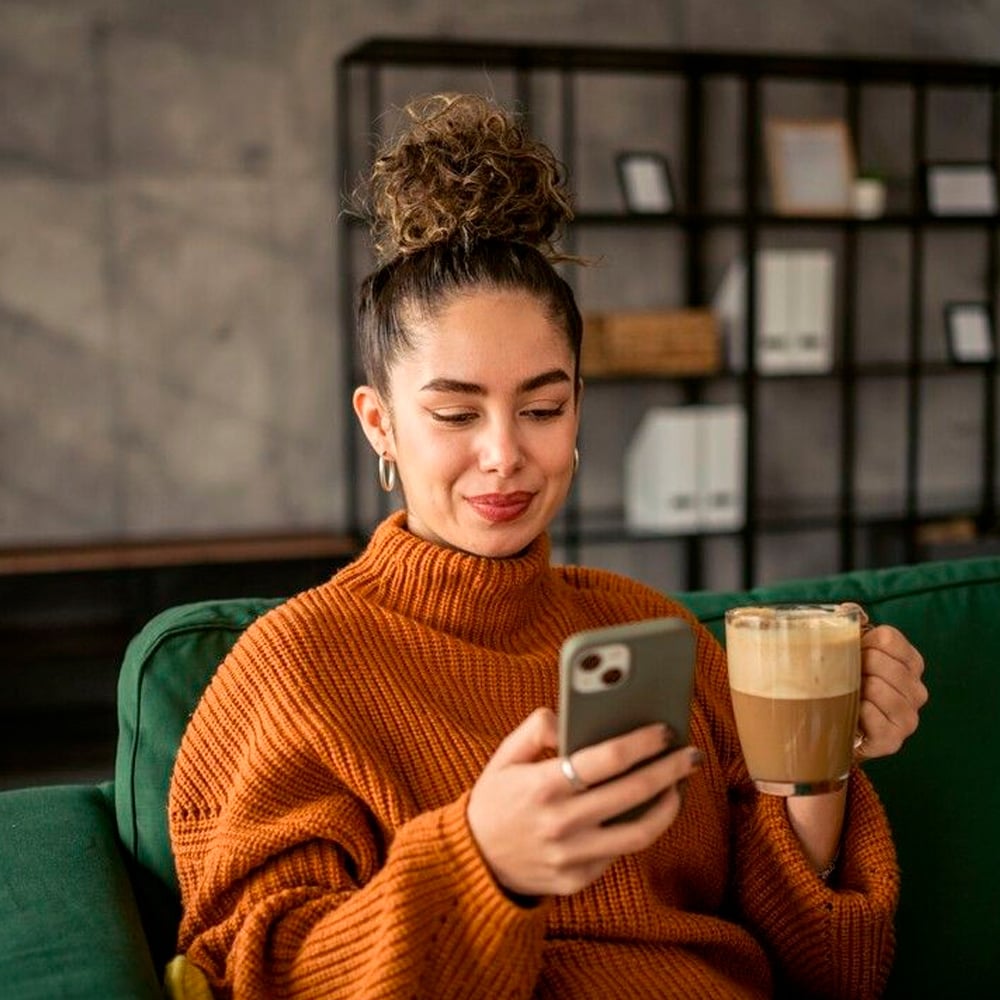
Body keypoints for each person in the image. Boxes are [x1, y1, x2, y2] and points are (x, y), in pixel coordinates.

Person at [168, 93, 928, 1000]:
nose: (506, 455)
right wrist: (485, 864)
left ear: (578, 413)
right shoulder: (293, 671)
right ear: (379, 424)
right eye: (455, 413)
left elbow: (828, 972)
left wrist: (820, 760)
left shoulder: (655, 631)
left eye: (542, 408)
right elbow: (257, 973)